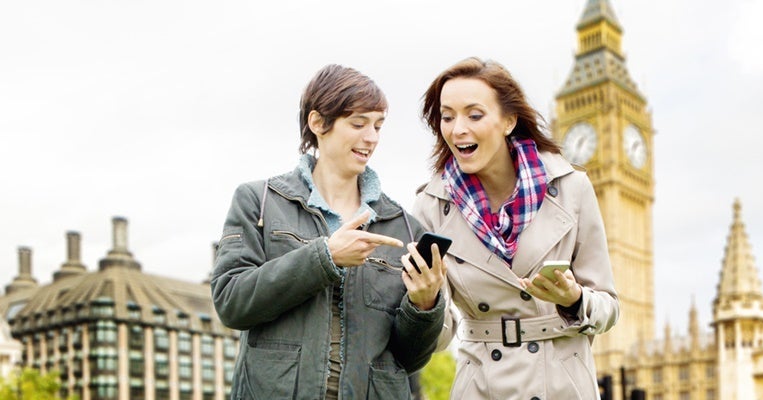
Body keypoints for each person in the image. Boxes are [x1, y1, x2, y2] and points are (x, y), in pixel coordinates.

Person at [211, 64, 447, 400]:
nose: (372, 138)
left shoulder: (405, 226)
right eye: (358, 123)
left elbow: (410, 360)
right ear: (318, 123)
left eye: (378, 126)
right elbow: (230, 302)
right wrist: (325, 258)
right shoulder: (259, 202)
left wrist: (424, 307)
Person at [412, 57, 620, 399]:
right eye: (447, 117)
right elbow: (438, 339)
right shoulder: (431, 206)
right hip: (480, 386)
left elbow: (609, 309)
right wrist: (424, 303)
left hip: (562, 385)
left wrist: (574, 299)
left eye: (474, 115)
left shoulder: (572, 188)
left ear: (509, 121)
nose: (457, 128)